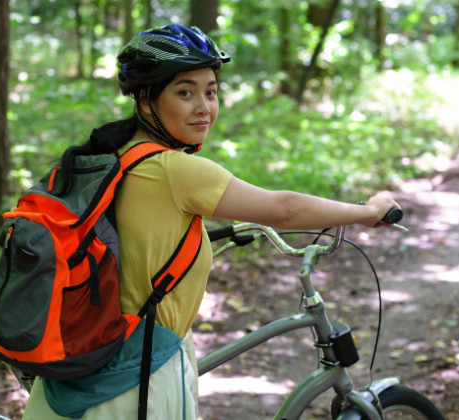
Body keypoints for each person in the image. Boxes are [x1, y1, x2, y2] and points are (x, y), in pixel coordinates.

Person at [22, 24, 400, 419]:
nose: (204, 106)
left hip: (76, 375)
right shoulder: (174, 169)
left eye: (211, 91)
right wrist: (367, 210)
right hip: (137, 384)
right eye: (185, 92)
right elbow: (285, 209)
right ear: (147, 100)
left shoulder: (109, 156)